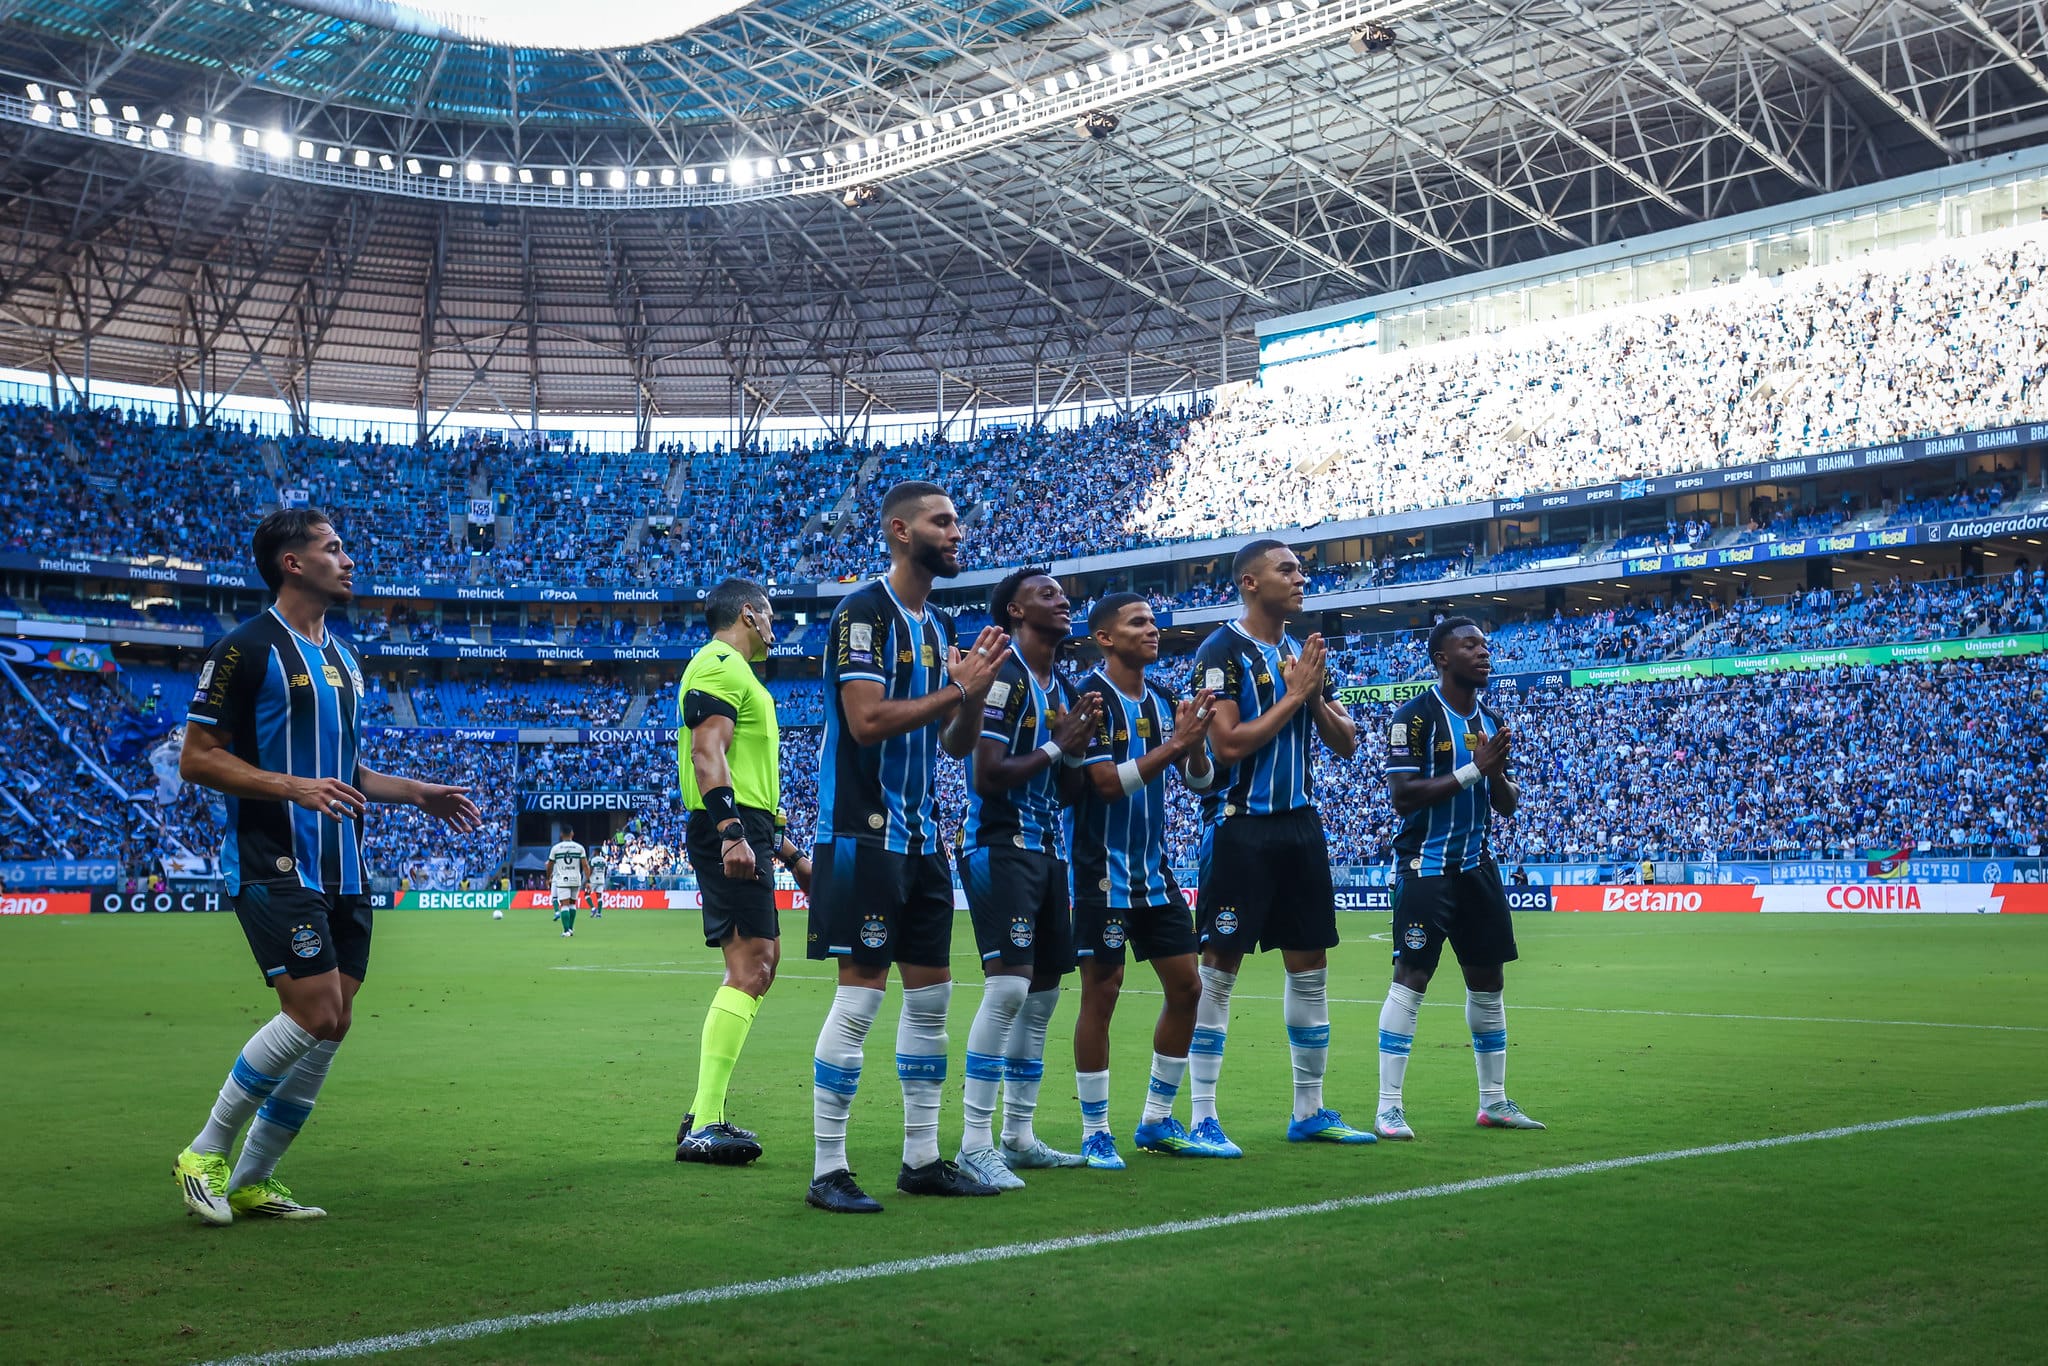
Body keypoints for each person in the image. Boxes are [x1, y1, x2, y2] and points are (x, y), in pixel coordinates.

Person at [173, 508, 482, 1225]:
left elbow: (343, 771)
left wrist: (417, 793)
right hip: (274, 857)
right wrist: (292, 787)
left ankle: (253, 1180)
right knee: (312, 1010)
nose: (348, 560)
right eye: (333, 548)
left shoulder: (343, 658)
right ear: (293, 563)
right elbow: (197, 758)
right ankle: (204, 1152)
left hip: (344, 865)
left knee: (332, 1023)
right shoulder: (244, 649)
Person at [804, 481, 1013, 1213]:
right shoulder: (862, 613)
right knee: (860, 999)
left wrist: (973, 694)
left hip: (922, 838)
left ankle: (921, 1159)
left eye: (957, 521)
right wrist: (958, 689)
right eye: (942, 521)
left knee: (932, 1000)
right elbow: (865, 722)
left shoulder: (937, 623)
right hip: (863, 833)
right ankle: (828, 1169)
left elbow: (954, 743)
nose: (957, 532)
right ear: (900, 531)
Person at [1186, 538, 1371, 1154]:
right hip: (1240, 827)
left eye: (1300, 570)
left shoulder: (1303, 655)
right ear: (1250, 583)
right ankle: (1204, 1116)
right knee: (1219, 970)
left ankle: (1309, 1110)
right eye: (1286, 569)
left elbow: (1346, 741)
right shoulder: (1221, 651)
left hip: (1300, 828)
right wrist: (1294, 696)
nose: (1300, 578)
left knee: (1311, 968)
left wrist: (1311, 693)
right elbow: (1226, 745)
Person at [1068, 593, 1228, 1169]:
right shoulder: (1087, 699)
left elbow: (1201, 782)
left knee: (1188, 988)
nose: (1152, 630)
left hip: (1154, 875)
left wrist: (1196, 748)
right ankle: (1095, 1131)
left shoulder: (1162, 701)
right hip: (1100, 874)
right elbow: (1106, 784)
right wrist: (1178, 744)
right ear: (1105, 638)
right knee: (1102, 992)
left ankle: (1157, 1120)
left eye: (1155, 622)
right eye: (1138, 623)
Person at [953, 568, 1101, 1188]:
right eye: (1046, 593)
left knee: (1040, 999)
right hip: (1000, 845)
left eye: (1063, 593)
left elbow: (1065, 789)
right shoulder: (1005, 677)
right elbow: (986, 774)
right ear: (1015, 611)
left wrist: (1078, 749)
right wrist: (1058, 745)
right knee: (1009, 990)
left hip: (1046, 851)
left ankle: (1018, 1136)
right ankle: (974, 1143)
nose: (1062, 599)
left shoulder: (1059, 685)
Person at [1375, 616, 1545, 1141]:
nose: (1483, 653)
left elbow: (1507, 805)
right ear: (1442, 658)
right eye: (1470, 646)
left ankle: (1493, 1102)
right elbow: (1403, 797)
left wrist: (1495, 773)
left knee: (1489, 983)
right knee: (1411, 979)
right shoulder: (1415, 718)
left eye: (1485, 645)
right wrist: (1475, 769)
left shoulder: (1490, 720)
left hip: (1477, 868)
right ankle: (1387, 1108)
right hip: (1426, 867)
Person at [674, 579, 813, 1166]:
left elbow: (751, 780)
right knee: (751, 965)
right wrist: (731, 831)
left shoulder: (742, 675)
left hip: (746, 825)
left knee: (765, 960)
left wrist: (791, 855)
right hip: (726, 826)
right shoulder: (719, 663)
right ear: (750, 615)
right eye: (772, 615)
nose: (776, 626)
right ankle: (705, 1123)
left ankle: (703, 1112)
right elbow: (707, 751)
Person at [548, 835, 588, 937]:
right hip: (576, 879)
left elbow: (549, 865)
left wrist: (548, 878)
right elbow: (585, 865)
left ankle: (566, 931)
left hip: (562, 879)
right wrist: (588, 881)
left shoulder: (556, 848)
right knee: (572, 904)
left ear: (561, 835)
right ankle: (570, 928)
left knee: (564, 905)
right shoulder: (579, 847)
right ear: (572, 834)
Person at [586, 847, 610, 918]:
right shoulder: (604, 860)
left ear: (596, 852)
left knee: (586, 895)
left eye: (594, 852)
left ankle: (593, 908)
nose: (593, 853)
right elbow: (605, 871)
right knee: (599, 897)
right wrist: (603, 878)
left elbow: (591, 870)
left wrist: (588, 880)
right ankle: (599, 913)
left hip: (594, 880)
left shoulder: (593, 860)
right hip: (601, 880)